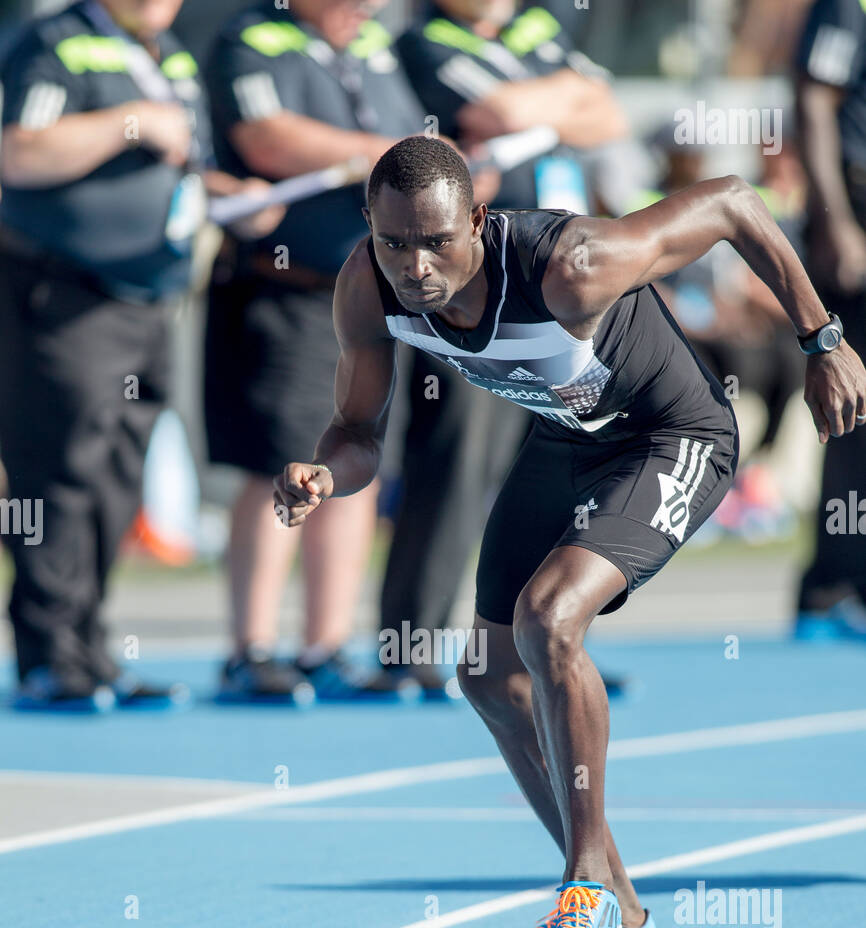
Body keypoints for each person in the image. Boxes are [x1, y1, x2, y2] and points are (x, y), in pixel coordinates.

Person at [274, 136, 866, 928]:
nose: (416, 267)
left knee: (549, 620)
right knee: (484, 674)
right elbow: (358, 432)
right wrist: (324, 473)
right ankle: (619, 904)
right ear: (369, 227)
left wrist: (821, 339)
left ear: (477, 221)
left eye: (437, 241)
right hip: (565, 443)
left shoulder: (573, 265)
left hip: (670, 437)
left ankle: (582, 891)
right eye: (394, 242)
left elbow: (734, 199)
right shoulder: (365, 287)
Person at [0, 0, 279, 712]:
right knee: (60, 473)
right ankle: (47, 655)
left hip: (148, 301)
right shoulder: (56, 41)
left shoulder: (167, 53)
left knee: (118, 474)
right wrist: (128, 124)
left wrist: (233, 198)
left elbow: (181, 168)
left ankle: (89, 650)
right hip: (64, 295)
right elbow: (19, 152)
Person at [379, 0, 631, 696]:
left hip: (555, 287)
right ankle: (410, 644)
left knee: (562, 467)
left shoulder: (538, 28)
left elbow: (608, 113)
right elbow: (501, 113)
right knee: (458, 466)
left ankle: (550, 641)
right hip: (478, 291)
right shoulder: (425, 43)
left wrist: (549, 107)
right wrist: (559, 103)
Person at [204, 0, 427, 702]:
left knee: (354, 461)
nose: (366, 8)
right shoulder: (253, 39)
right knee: (278, 461)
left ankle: (324, 646)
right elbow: (267, 137)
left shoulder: (374, 50)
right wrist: (368, 156)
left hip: (368, 297)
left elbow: (419, 147)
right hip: (285, 291)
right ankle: (252, 648)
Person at [794, 0, 866, 637]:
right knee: (854, 408)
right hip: (859, 213)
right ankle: (832, 587)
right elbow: (814, 99)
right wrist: (836, 220)